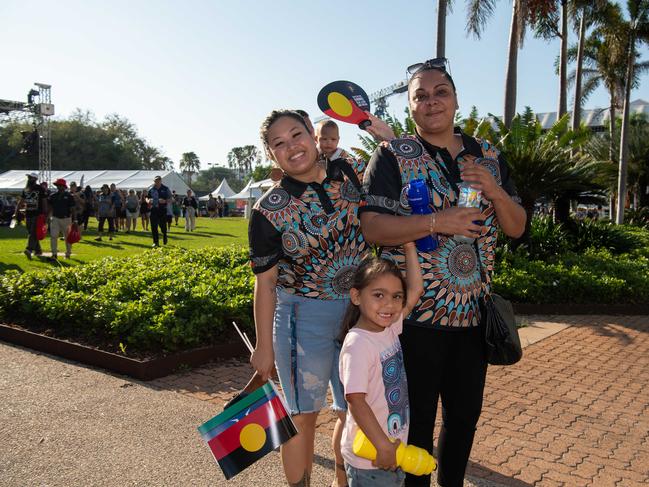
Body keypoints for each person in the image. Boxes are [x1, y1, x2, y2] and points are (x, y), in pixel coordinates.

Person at [359, 58, 526, 487]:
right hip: (414, 319)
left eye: (440, 92)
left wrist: (494, 190)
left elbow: (517, 226)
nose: (431, 101)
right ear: (410, 108)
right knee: (414, 426)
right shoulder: (392, 156)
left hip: (474, 318)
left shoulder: (487, 155)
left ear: (456, 100)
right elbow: (373, 227)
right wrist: (437, 221)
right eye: (421, 95)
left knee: (464, 419)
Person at [248, 109, 370, 487]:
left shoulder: (349, 170)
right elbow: (265, 284)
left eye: (297, 134)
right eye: (279, 144)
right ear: (272, 156)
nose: (292, 147)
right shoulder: (268, 211)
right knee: (303, 415)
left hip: (358, 315)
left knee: (352, 408)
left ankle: (340, 482)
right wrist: (263, 347)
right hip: (303, 321)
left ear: (313, 137)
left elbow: (393, 160)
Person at [339, 247, 424, 487]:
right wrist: (383, 445)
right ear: (356, 296)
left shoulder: (388, 329)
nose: (389, 304)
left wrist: (408, 246)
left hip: (390, 452)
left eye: (397, 296)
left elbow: (416, 289)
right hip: (370, 458)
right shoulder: (358, 343)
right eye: (379, 295)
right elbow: (355, 400)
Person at [13, 173, 47, 259]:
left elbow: (44, 201)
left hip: (38, 214)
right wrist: (15, 213)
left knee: (33, 232)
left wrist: (45, 214)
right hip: (28, 214)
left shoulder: (40, 188)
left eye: (30, 177)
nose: (28, 179)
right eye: (28, 177)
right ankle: (38, 250)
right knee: (31, 232)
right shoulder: (25, 189)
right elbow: (21, 202)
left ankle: (29, 249)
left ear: (35, 179)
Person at [47, 178, 77, 260]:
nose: (58, 187)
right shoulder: (53, 196)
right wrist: (48, 218)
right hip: (55, 218)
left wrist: (75, 220)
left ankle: (68, 253)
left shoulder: (69, 196)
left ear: (64, 186)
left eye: (60, 185)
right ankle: (54, 254)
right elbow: (50, 208)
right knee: (53, 236)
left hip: (66, 218)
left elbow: (73, 209)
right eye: (57, 185)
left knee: (67, 237)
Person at [147, 175, 171, 247]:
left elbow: (171, 199)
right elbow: (147, 197)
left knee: (163, 226)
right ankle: (155, 242)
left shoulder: (165, 189)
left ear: (161, 181)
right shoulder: (151, 189)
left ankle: (164, 235)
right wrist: (148, 201)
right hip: (153, 209)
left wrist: (165, 201)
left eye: (158, 180)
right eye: (155, 181)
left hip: (162, 210)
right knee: (154, 226)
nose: (157, 182)